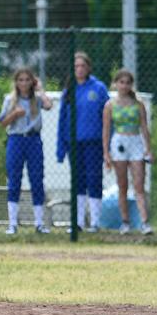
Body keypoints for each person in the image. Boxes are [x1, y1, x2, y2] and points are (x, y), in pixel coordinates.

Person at [56, 51, 109, 232]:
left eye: (82, 66)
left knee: (94, 179)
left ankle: (95, 222)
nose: (79, 69)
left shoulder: (99, 88)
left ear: (88, 68)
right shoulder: (69, 90)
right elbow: (62, 119)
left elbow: (108, 116)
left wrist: (107, 144)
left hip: (93, 143)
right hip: (74, 143)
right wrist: (60, 147)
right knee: (78, 181)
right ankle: (77, 222)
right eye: (76, 66)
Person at [0, 68, 53, 235]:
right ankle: (13, 223)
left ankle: (39, 223)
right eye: (20, 80)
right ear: (16, 82)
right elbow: (2, 122)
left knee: (37, 179)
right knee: (14, 179)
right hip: (16, 140)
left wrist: (40, 90)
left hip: (33, 140)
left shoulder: (36, 100)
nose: (23, 83)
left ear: (32, 82)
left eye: (27, 80)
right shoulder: (10, 100)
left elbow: (49, 105)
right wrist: (14, 114)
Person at [102, 69, 154, 235]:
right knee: (122, 185)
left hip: (135, 142)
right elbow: (106, 130)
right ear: (116, 84)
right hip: (119, 143)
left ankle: (145, 222)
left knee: (139, 185)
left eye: (127, 83)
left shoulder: (138, 104)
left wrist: (148, 149)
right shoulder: (110, 105)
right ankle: (125, 222)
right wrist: (106, 153)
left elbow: (144, 128)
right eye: (121, 82)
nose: (124, 86)